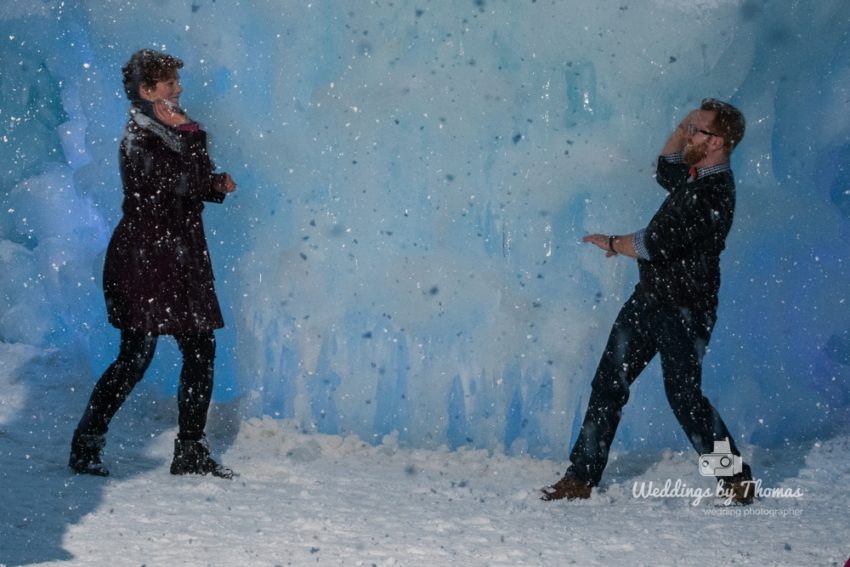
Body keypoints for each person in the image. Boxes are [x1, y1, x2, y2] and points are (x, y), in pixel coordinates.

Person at [541, 98, 754, 504]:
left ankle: (736, 478)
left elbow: (653, 243)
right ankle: (581, 477)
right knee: (608, 384)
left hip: (685, 310)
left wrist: (612, 243)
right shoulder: (694, 178)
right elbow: (666, 165)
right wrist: (685, 123)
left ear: (719, 142)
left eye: (698, 131)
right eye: (690, 128)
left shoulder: (713, 192)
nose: (688, 135)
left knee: (685, 398)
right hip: (650, 301)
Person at [68, 49, 237, 478]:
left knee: (200, 349)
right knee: (135, 356)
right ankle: (86, 444)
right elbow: (182, 181)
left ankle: (191, 450)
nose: (178, 89)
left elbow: (191, 183)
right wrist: (195, 141)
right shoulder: (140, 138)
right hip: (145, 260)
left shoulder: (167, 132)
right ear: (147, 91)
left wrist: (214, 182)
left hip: (177, 257)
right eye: (169, 83)